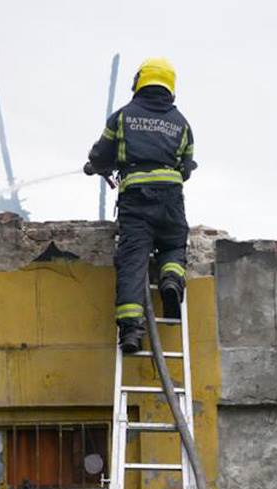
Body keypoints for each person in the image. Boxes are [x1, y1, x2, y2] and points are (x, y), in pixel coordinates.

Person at [85, 57, 195, 354]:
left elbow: (102, 154)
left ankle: (131, 331)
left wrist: (94, 165)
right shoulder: (181, 123)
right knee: (173, 245)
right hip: (171, 198)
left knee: (133, 260)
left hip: (136, 199)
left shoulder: (123, 117)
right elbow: (187, 165)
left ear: (140, 81)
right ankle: (171, 280)